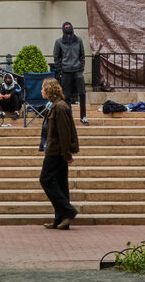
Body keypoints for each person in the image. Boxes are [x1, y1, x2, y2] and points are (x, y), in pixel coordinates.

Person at [39, 77, 79, 230]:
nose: (41, 90)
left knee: (45, 179)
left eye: (43, 88)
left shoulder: (60, 107)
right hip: (55, 150)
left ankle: (68, 210)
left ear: (49, 90)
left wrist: (67, 153)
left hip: (57, 152)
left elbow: (65, 133)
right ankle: (61, 219)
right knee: (61, 184)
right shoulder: (54, 106)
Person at [53, 22, 88, 125]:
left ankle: (83, 116)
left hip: (77, 71)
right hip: (66, 72)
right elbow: (56, 57)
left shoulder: (79, 40)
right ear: (63, 29)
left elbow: (82, 56)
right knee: (66, 96)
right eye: (66, 27)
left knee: (82, 94)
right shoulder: (59, 42)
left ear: (72, 28)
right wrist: (61, 69)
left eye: (69, 27)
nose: (68, 28)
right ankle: (69, 117)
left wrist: (81, 68)